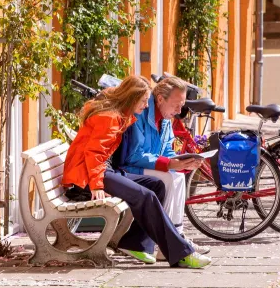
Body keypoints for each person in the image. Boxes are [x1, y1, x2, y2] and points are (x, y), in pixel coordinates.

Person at [61, 75, 212, 269]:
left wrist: (179, 162)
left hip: (101, 170)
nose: (146, 106)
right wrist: (97, 185)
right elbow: (94, 154)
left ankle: (136, 243)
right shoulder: (109, 117)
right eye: (143, 101)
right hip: (88, 177)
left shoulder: (122, 115)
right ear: (132, 98)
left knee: (156, 186)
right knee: (146, 196)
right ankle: (182, 253)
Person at [118, 76, 212, 258]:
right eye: (176, 105)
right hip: (130, 168)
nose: (179, 111)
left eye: (182, 105)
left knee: (178, 176)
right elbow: (133, 156)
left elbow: (167, 150)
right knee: (168, 178)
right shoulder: (140, 112)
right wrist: (169, 164)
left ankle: (176, 236)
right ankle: (168, 242)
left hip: (148, 166)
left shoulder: (166, 118)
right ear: (160, 99)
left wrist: (183, 162)